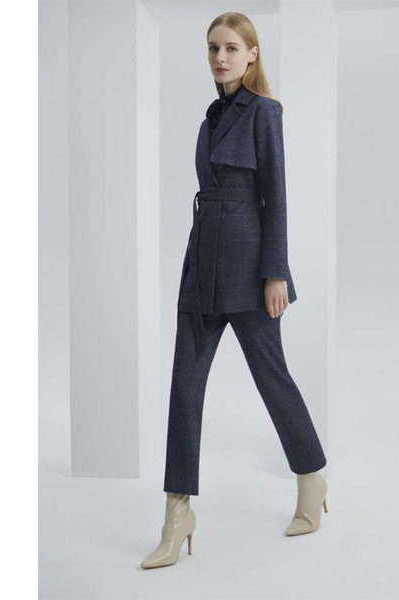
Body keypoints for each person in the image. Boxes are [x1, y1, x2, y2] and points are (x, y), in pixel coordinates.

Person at [141, 12, 328, 570]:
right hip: (201, 266)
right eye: (212, 49)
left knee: (272, 377)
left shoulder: (264, 112)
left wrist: (276, 272)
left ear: (251, 54)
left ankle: (311, 478)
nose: (219, 58)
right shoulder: (211, 116)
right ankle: (177, 513)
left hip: (250, 273)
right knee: (184, 387)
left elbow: (276, 195)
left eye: (230, 48)